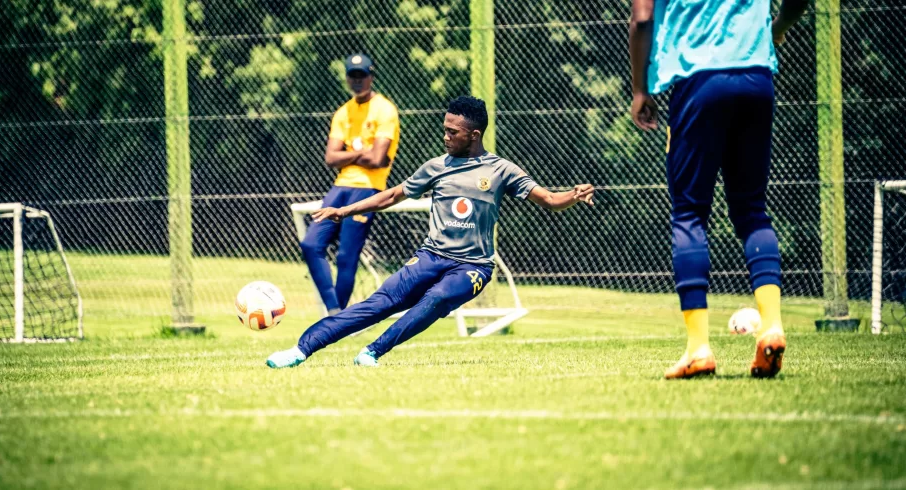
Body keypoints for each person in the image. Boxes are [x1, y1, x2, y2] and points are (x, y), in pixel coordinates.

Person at [267, 96, 595, 368]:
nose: (446, 136)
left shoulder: (500, 170)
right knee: (378, 303)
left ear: (474, 134)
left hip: (473, 267)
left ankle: (371, 352)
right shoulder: (436, 167)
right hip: (430, 256)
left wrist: (573, 195)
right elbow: (393, 195)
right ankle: (300, 350)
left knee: (436, 298)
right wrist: (342, 210)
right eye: (445, 130)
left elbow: (549, 199)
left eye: (453, 132)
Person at [628, 0, 809, 378]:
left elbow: (643, 18)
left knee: (689, 213)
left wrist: (640, 90)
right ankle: (772, 326)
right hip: (757, 76)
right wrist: (776, 29)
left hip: (698, 79)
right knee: (752, 210)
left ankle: (698, 349)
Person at [300, 53, 400, 316]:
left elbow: (378, 159)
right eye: (352, 76)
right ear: (347, 78)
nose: (357, 81)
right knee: (311, 244)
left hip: (368, 188)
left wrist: (351, 155)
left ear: (371, 76)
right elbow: (330, 158)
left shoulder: (385, 110)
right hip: (341, 185)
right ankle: (335, 312)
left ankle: (338, 318)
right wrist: (361, 153)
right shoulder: (343, 113)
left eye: (362, 75)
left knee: (346, 256)